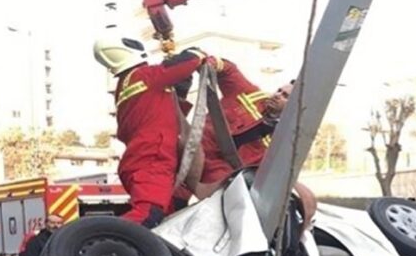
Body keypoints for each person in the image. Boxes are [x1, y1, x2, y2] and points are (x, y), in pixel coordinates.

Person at [94, 32, 209, 227]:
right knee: (149, 214)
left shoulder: (126, 86)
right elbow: (187, 62)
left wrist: (178, 92)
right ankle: (105, 238)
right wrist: (196, 53)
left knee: (169, 220)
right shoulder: (145, 75)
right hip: (154, 157)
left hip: (142, 159)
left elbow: (160, 114)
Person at [174, 58, 293, 205]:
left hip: (217, 176)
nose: (277, 95)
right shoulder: (248, 93)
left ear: (293, 107)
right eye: (279, 91)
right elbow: (229, 71)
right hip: (187, 151)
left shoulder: (280, 143)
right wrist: (213, 63)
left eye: (285, 96)